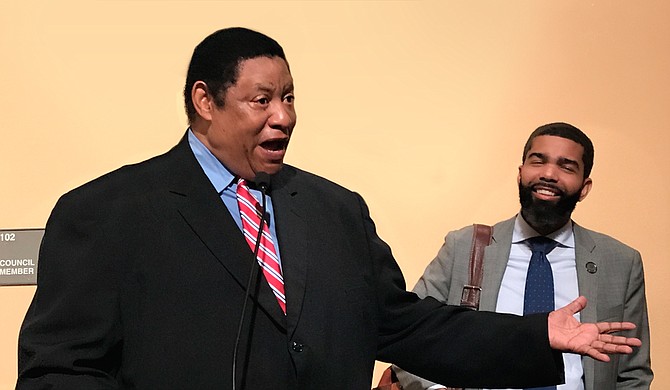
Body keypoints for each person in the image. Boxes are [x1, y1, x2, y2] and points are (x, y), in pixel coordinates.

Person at [16, 29, 640, 390]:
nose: (284, 116)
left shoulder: (336, 210)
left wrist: (540, 337)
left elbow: (404, 326)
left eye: (289, 98)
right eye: (262, 100)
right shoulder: (107, 212)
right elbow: (60, 373)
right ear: (205, 101)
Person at [394, 123, 653, 389]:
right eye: (537, 161)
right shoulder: (464, 247)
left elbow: (633, 374)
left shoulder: (621, 262)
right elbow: (409, 335)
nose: (549, 174)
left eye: (566, 166)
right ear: (520, 174)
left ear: (584, 187)